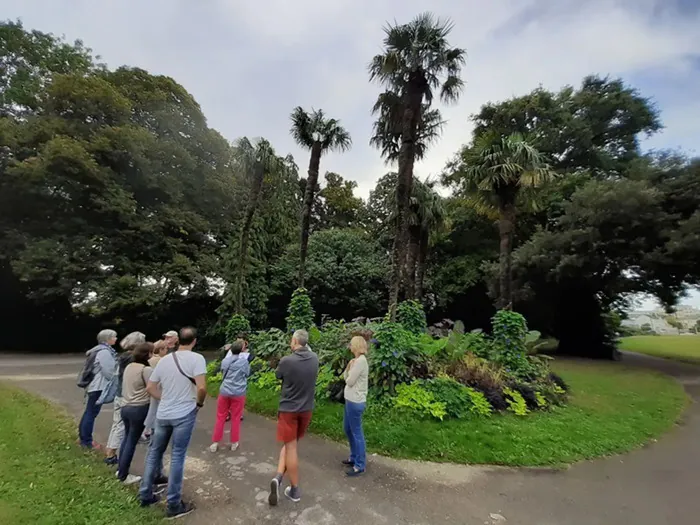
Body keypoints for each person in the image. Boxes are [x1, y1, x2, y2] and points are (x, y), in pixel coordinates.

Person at [139, 327, 206, 519]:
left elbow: (150, 387)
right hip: (184, 413)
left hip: (163, 413)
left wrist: (165, 398)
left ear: (177, 341)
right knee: (177, 456)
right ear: (194, 341)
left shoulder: (165, 360)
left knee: (154, 452)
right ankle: (174, 503)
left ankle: (145, 493)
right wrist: (199, 403)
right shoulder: (197, 359)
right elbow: (201, 387)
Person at [268, 329, 319, 506]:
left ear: (295, 342)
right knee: (291, 444)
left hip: (289, 410)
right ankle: (278, 477)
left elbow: (278, 375)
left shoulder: (287, 361)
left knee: (291, 447)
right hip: (306, 409)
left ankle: (295, 489)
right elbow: (310, 352)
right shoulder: (314, 359)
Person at [104, 331, 145, 465]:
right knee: (120, 426)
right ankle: (111, 454)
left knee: (117, 424)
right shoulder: (132, 357)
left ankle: (110, 450)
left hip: (119, 393)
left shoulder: (123, 356)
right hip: (126, 395)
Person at [117, 342, 155, 485]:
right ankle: (123, 475)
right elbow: (153, 387)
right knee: (132, 441)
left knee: (126, 439)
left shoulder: (129, 367)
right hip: (139, 408)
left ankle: (121, 469)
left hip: (125, 407)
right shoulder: (145, 370)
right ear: (148, 354)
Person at [78, 329, 117, 449]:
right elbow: (109, 371)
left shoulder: (97, 350)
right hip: (98, 386)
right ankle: (87, 441)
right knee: (91, 413)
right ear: (108, 339)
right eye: (114, 337)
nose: (116, 339)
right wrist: (116, 381)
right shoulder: (104, 352)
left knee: (89, 412)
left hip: (93, 386)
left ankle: (83, 438)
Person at [210, 339, 250, 453]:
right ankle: (234, 443)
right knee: (236, 418)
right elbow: (247, 373)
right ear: (242, 350)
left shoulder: (225, 361)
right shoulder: (244, 362)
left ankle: (215, 443)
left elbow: (223, 372)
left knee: (220, 417)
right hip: (238, 392)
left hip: (225, 391)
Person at [342, 336, 369, 476]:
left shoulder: (360, 362)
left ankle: (360, 464)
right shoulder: (357, 361)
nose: (350, 346)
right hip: (349, 400)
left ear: (357, 346)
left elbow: (349, 381)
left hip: (355, 401)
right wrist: (348, 367)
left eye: (351, 344)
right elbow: (345, 376)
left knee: (357, 432)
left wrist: (349, 369)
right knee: (347, 429)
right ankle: (353, 457)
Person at [142, 340, 169, 442]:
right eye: (166, 348)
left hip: (148, 386)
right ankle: (150, 431)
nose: (167, 350)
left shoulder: (150, 359)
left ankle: (147, 430)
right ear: (161, 349)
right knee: (155, 410)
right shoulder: (162, 360)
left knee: (151, 409)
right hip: (158, 387)